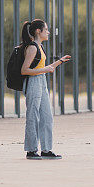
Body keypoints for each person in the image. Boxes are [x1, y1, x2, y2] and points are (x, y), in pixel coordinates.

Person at [21, 19, 71, 160]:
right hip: (34, 82)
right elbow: (24, 70)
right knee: (33, 116)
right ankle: (31, 150)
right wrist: (45, 69)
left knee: (47, 116)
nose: (48, 32)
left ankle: (46, 149)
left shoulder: (40, 47)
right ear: (38, 31)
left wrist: (59, 61)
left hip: (41, 81)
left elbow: (42, 68)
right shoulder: (32, 48)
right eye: (46, 30)